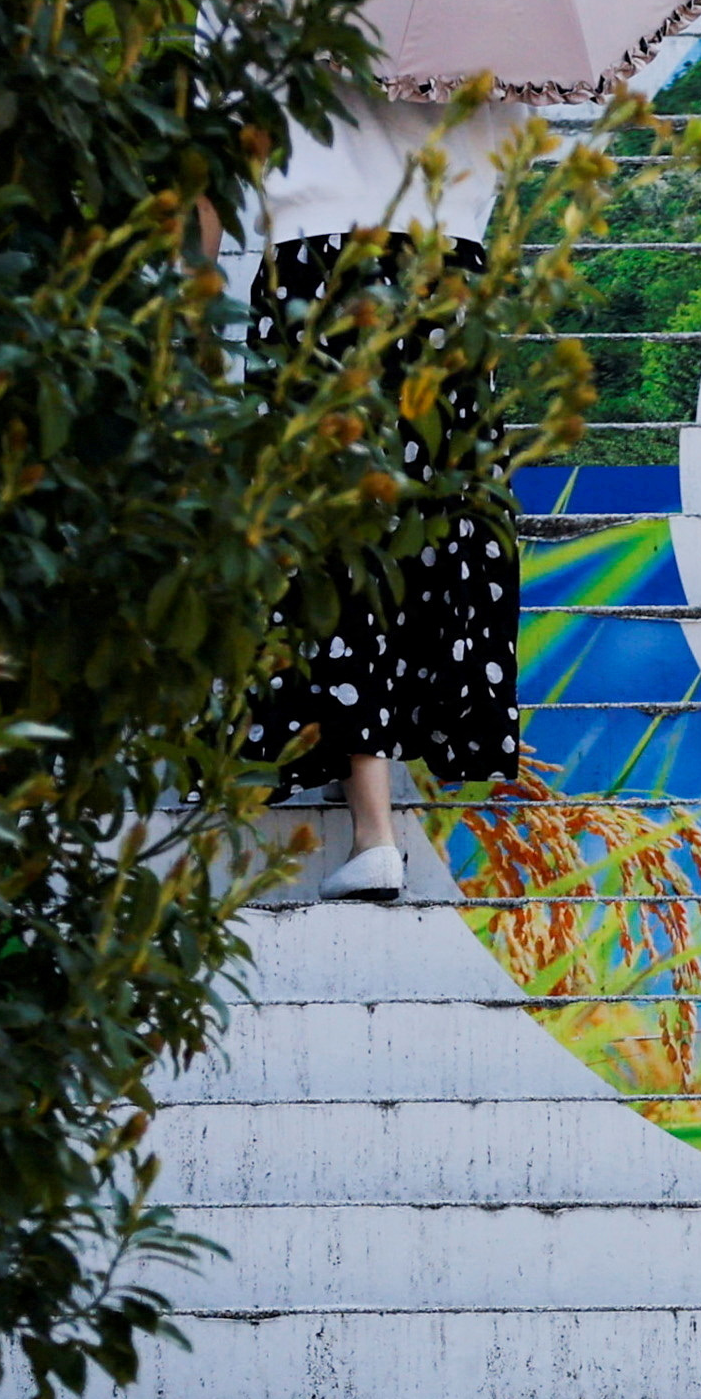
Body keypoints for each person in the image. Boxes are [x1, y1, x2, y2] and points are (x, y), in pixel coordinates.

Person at [254, 92, 533, 901]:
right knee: (438, 523)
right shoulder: (489, 18)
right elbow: (515, 145)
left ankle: (371, 820)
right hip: (448, 269)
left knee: (335, 531)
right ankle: (392, 778)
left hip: (318, 270)